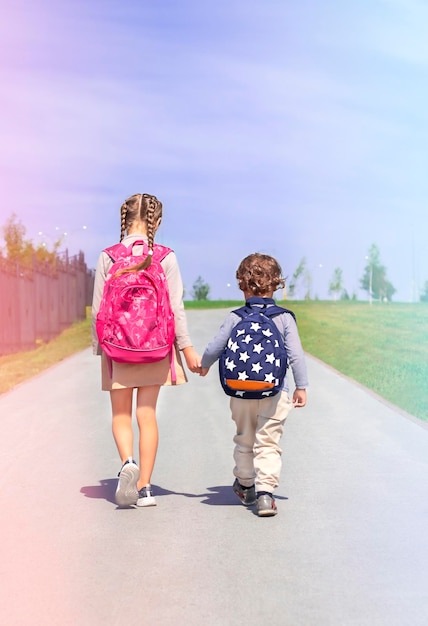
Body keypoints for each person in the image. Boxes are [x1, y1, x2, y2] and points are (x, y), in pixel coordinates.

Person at [92, 193, 201, 508]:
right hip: (156, 346)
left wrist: (101, 349)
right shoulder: (165, 256)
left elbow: (98, 307)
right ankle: (145, 489)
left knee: (121, 414)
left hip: (117, 347)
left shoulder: (108, 256)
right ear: (157, 222)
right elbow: (176, 308)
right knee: (147, 414)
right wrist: (187, 349)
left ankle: (128, 463)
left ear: (124, 220)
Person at [200, 253, 308, 517]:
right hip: (276, 391)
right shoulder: (284, 318)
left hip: (240, 391)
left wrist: (204, 364)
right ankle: (265, 495)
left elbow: (216, 346)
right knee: (268, 442)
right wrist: (301, 386)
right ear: (276, 284)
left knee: (244, 439)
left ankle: (246, 485)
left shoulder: (236, 317)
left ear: (241, 284)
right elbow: (296, 354)